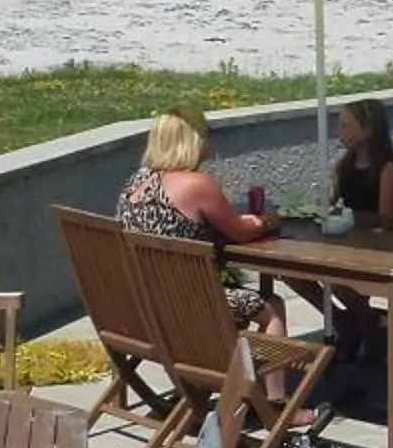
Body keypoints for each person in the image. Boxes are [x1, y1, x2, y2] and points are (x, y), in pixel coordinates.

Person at [117, 107, 289, 334]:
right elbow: (240, 232)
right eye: (207, 135)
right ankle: (264, 371)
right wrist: (267, 221)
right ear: (194, 141)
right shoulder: (197, 184)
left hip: (138, 302)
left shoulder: (137, 180)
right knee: (273, 308)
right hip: (188, 303)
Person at [331, 99, 393, 228]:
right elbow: (331, 202)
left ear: (368, 129)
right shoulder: (344, 166)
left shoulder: (387, 169)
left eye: (345, 126)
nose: (339, 133)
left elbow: (385, 218)